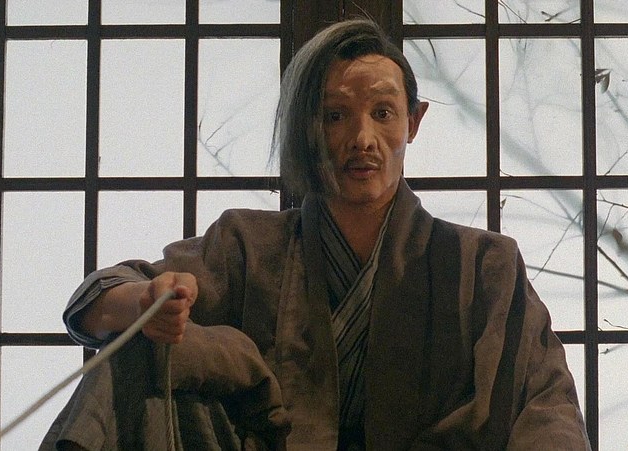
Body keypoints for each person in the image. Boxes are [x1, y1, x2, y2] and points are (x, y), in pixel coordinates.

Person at [41, 18, 590, 450]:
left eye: (383, 113)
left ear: (413, 122)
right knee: (141, 348)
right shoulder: (247, 245)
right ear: (309, 127)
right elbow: (97, 302)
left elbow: (547, 405)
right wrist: (144, 302)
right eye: (335, 116)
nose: (362, 138)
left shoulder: (485, 265)